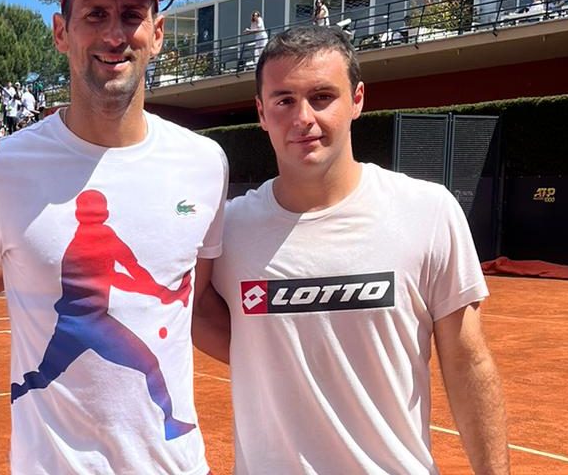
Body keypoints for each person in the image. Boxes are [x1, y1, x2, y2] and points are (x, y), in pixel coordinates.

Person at [0, 0, 227, 474]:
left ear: (157, 34)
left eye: (131, 15)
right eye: (94, 14)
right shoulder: (0, 166)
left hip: (172, 468)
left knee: (74, 370)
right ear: (61, 32)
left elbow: (201, 302)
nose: (115, 34)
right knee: (134, 368)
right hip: (70, 388)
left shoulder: (204, 163)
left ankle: (160, 422)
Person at [194, 26, 509, 474]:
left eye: (322, 96)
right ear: (261, 113)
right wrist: (265, 353)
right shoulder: (229, 228)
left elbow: (467, 360)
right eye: (284, 100)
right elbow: (197, 313)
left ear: (357, 99)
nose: (303, 117)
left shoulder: (428, 210)